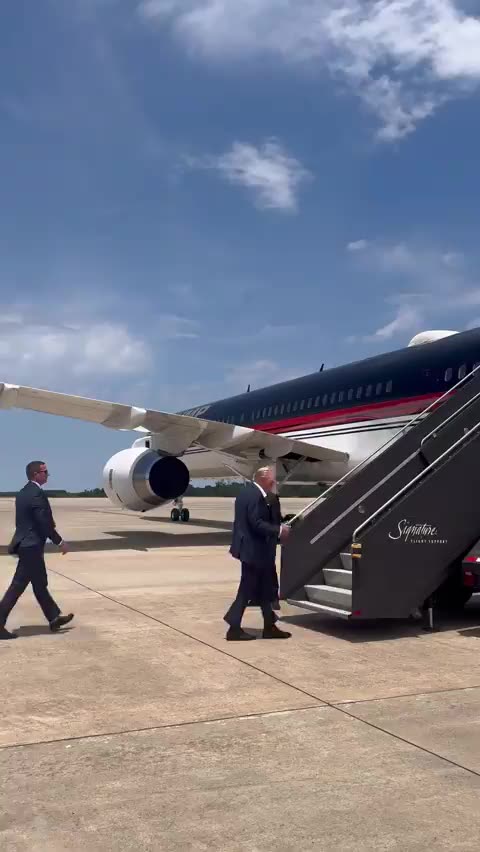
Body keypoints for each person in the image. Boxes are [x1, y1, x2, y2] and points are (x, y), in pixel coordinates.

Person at [0, 461, 74, 640]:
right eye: (45, 471)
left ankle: (53, 618)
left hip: (26, 545)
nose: (48, 474)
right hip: (31, 547)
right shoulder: (36, 494)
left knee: (39, 584)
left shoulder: (23, 493)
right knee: (18, 587)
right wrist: (59, 541)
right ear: (35, 474)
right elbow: (43, 523)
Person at [224, 466, 291, 641]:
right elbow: (256, 523)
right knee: (247, 590)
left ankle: (270, 626)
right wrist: (279, 530)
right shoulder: (255, 496)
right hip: (254, 551)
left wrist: (281, 522)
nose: (274, 483)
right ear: (264, 480)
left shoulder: (247, 492)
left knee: (265, 589)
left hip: (253, 549)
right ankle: (233, 626)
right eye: (272, 480)